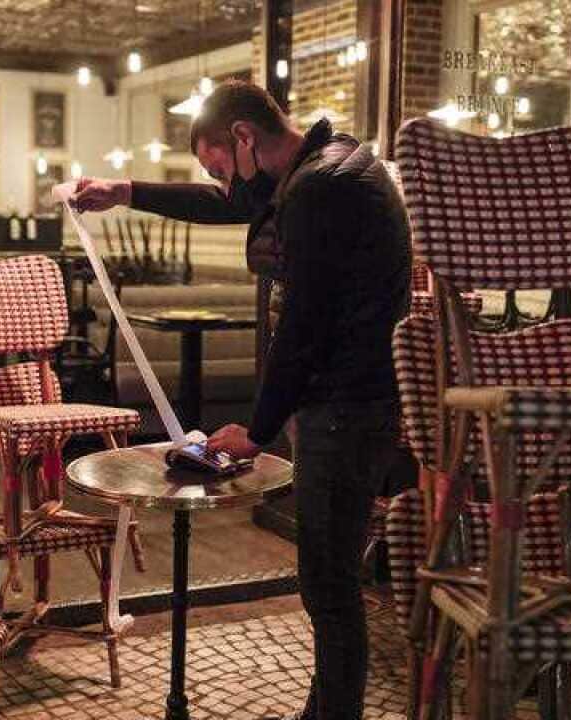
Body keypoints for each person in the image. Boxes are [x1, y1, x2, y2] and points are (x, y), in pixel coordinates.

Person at [73, 80, 410, 720]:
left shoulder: (321, 188)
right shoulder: (324, 164)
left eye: (221, 165)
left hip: (345, 407)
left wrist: (256, 431)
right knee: (330, 580)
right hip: (354, 401)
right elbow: (226, 202)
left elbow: (305, 326)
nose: (225, 184)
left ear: (244, 137)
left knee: (330, 586)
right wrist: (127, 193)